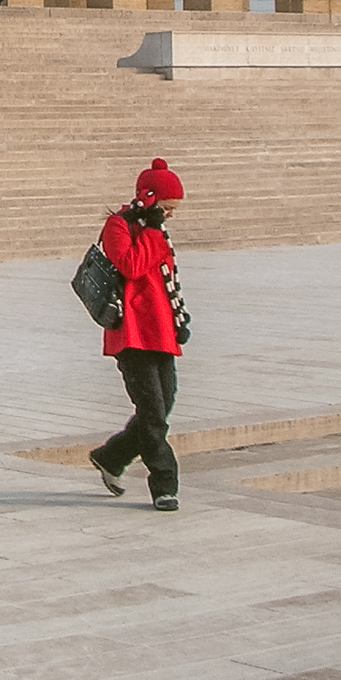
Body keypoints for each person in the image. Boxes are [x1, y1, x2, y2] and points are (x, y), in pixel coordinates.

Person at [89, 159, 189, 512]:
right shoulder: (119, 226)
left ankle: (111, 457)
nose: (171, 216)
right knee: (152, 412)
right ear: (148, 198)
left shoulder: (155, 228)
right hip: (131, 334)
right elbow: (130, 265)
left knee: (164, 405)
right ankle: (165, 484)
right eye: (167, 207)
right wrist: (151, 230)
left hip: (160, 332)